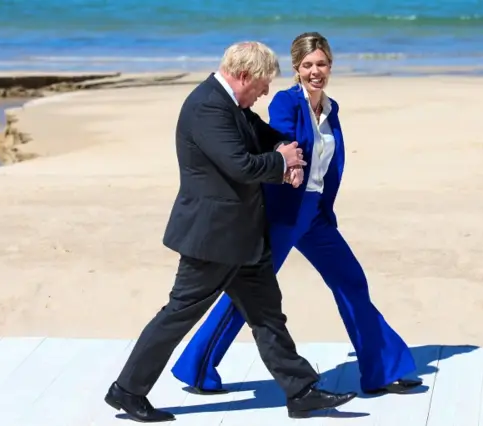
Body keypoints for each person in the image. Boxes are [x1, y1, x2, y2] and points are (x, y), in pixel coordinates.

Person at [103, 41, 356, 423]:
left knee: (269, 316)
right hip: (213, 239)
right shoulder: (208, 106)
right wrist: (281, 162)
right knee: (178, 315)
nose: (265, 92)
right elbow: (240, 165)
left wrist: (288, 149)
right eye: (261, 84)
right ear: (243, 77)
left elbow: (264, 133)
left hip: (245, 238)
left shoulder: (234, 106)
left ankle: (301, 391)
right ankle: (127, 390)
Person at [171, 32, 423, 397]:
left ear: (331, 66)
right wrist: (290, 163)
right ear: (297, 69)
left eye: (321, 64)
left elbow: (329, 164)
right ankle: (197, 366)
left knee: (351, 281)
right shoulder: (287, 103)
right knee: (247, 297)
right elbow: (282, 137)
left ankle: (383, 368)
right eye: (307, 66)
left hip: (316, 214)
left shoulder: (332, 109)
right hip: (285, 214)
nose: (315, 71)